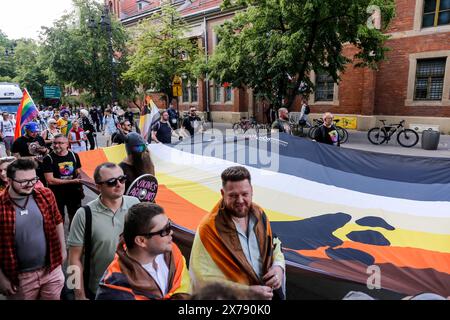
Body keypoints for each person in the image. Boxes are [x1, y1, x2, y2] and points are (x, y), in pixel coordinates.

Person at [189, 166, 286, 300]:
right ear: (223, 194)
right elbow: (203, 280)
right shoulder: (209, 228)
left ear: (252, 191)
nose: (240, 200)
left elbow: (275, 244)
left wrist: (278, 268)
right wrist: (246, 292)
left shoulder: (259, 213)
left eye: (244, 194)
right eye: (233, 195)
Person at [67, 162, 140, 300]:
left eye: (122, 179)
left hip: (134, 287)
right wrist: (79, 294)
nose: (119, 184)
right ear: (98, 186)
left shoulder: (135, 204)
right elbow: (74, 259)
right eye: (112, 182)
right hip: (100, 290)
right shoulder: (84, 214)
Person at [96, 202, 191, 300]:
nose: (171, 232)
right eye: (164, 231)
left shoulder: (173, 254)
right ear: (141, 241)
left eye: (169, 225)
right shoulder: (114, 289)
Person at [0, 159, 65, 300]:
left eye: (33, 179)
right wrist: (1, 278)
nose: (30, 185)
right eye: (23, 181)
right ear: (9, 181)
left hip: (51, 269)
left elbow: (57, 221)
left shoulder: (45, 194)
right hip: (19, 278)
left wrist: (63, 250)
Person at [42, 134, 83, 226]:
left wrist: (81, 189)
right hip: (56, 193)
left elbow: (78, 173)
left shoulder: (74, 155)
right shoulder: (48, 159)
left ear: (67, 144)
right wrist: (72, 181)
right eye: (55, 143)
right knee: (59, 217)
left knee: (75, 215)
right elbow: (50, 180)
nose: (56, 145)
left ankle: (74, 235)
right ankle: (60, 238)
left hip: (73, 192)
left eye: (60, 143)